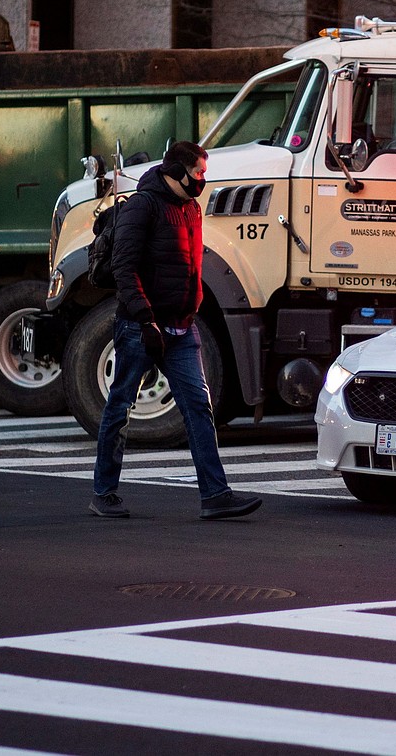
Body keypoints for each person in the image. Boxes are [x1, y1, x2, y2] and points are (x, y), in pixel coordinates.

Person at [88, 140, 262, 521]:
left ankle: (215, 496)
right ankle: (103, 492)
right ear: (179, 171)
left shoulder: (191, 208)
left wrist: (194, 305)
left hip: (182, 328)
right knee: (120, 406)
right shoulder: (143, 206)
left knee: (199, 408)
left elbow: (192, 263)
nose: (204, 179)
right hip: (140, 327)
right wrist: (146, 319)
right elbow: (123, 267)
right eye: (199, 172)